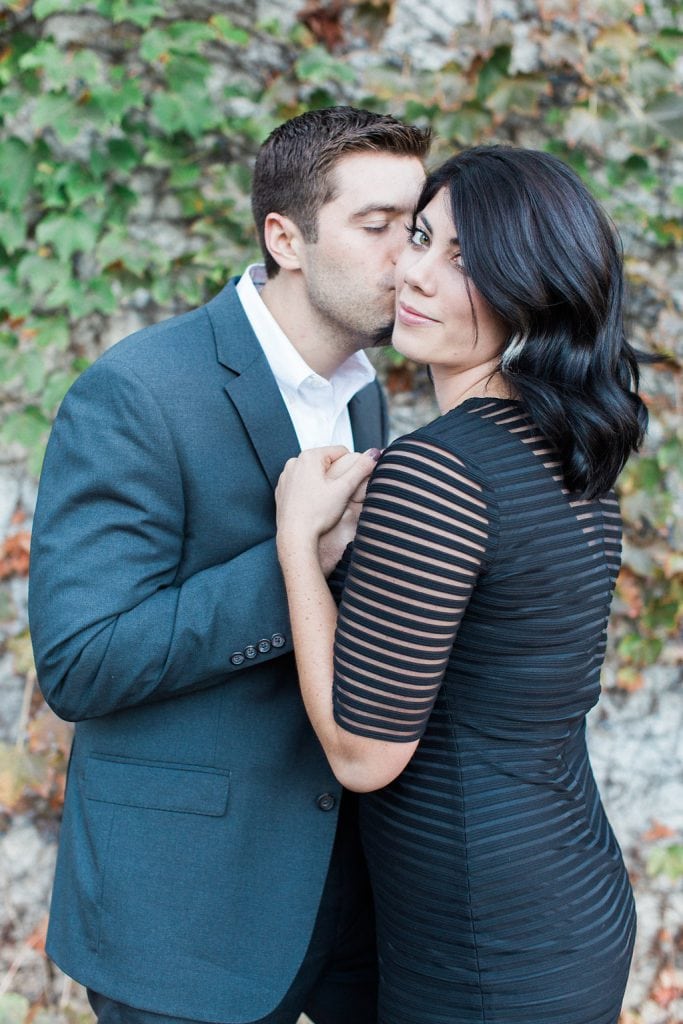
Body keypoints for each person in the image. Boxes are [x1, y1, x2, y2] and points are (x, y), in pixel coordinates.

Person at [28, 106, 430, 1024]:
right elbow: (81, 662)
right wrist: (299, 561)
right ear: (284, 237)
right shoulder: (138, 392)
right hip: (186, 916)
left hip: (342, 901)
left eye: (414, 231)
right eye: (375, 229)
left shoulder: (367, 401)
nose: (407, 262)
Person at [275, 145, 646, 1024]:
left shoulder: (439, 472)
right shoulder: (564, 451)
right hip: (566, 899)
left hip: (489, 938)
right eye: (419, 237)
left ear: (533, 291)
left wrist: (297, 544)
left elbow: (364, 755)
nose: (416, 276)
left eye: (464, 262)